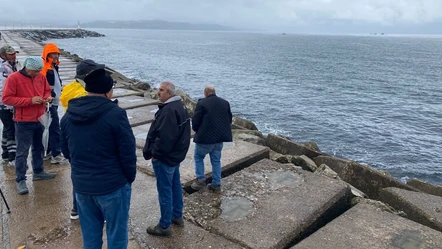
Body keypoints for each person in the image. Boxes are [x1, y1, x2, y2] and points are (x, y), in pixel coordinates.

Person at [60, 68, 136, 249]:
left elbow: (66, 151)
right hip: (112, 185)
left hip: (82, 186)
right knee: (117, 234)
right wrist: (128, 178)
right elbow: (127, 152)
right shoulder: (116, 114)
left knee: (90, 236)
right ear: (108, 91)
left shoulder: (68, 115)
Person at [2, 56, 56, 195]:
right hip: (23, 121)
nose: (38, 74)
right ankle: (20, 179)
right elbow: (6, 98)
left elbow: (46, 90)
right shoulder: (14, 78)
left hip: (40, 118)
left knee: (39, 147)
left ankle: (38, 171)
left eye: (39, 71)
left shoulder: (41, 77)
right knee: (22, 151)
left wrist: (47, 97)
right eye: (35, 71)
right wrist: (30, 100)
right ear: (27, 68)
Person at [143, 81, 191, 237]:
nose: (158, 92)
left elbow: (165, 138)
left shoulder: (169, 110)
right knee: (175, 186)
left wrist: (155, 154)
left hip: (165, 158)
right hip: (175, 157)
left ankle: (164, 225)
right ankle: (177, 216)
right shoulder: (180, 106)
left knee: (165, 191)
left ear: (169, 94)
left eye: (161, 90)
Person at [59, 59, 105, 220]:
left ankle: (76, 209)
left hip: (73, 137)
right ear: (88, 75)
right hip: (88, 138)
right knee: (95, 175)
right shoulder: (84, 92)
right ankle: (94, 209)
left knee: (78, 174)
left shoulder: (69, 88)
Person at [190, 86, 232, 193]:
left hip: (205, 139)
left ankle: (201, 181)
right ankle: (216, 184)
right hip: (219, 139)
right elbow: (229, 119)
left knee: (198, 157)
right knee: (216, 161)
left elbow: (195, 121)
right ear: (214, 92)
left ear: (206, 93)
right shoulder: (225, 103)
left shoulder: (202, 103)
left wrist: (197, 130)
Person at [41, 43, 65, 164]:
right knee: (54, 127)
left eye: (57, 53)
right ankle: (56, 154)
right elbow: (44, 85)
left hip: (53, 102)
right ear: (47, 54)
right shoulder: (46, 68)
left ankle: (48, 151)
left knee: (49, 127)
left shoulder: (53, 66)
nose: (56, 56)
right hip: (49, 103)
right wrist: (50, 96)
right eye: (53, 53)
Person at [0, 45, 19, 166]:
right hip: (5, 103)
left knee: (7, 128)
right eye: (11, 54)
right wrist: (11, 104)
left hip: (8, 102)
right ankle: (13, 158)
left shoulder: (13, 64)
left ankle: (5, 153)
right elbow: (4, 87)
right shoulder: (2, 68)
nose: (14, 56)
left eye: (14, 53)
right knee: (11, 128)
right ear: (3, 55)